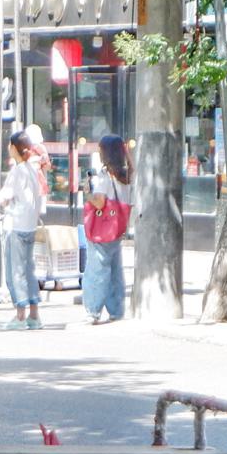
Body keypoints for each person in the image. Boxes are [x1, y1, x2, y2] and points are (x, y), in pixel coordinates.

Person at [0, 129, 48, 329]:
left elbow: (4, 197)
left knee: (16, 272)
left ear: (13, 148)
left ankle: (20, 316)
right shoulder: (32, 170)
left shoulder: (17, 171)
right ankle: (34, 315)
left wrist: (4, 204)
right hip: (30, 225)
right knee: (28, 270)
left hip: (16, 226)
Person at [81, 134, 134, 324]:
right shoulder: (126, 176)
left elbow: (99, 202)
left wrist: (87, 193)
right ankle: (116, 310)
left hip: (101, 231)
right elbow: (133, 167)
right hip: (117, 229)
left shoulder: (105, 177)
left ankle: (93, 310)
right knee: (115, 272)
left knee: (97, 270)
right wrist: (127, 153)